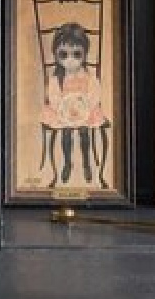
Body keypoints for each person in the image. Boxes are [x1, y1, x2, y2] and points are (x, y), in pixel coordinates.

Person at [39, 21, 110, 189]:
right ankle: (67, 163)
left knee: (85, 131)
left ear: (84, 54)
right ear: (56, 55)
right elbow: (53, 96)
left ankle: (86, 161)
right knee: (66, 133)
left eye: (76, 54)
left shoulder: (88, 75)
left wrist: (85, 106)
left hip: (85, 111)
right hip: (63, 113)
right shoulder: (57, 78)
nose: (70, 60)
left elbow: (94, 93)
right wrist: (63, 107)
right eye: (64, 55)